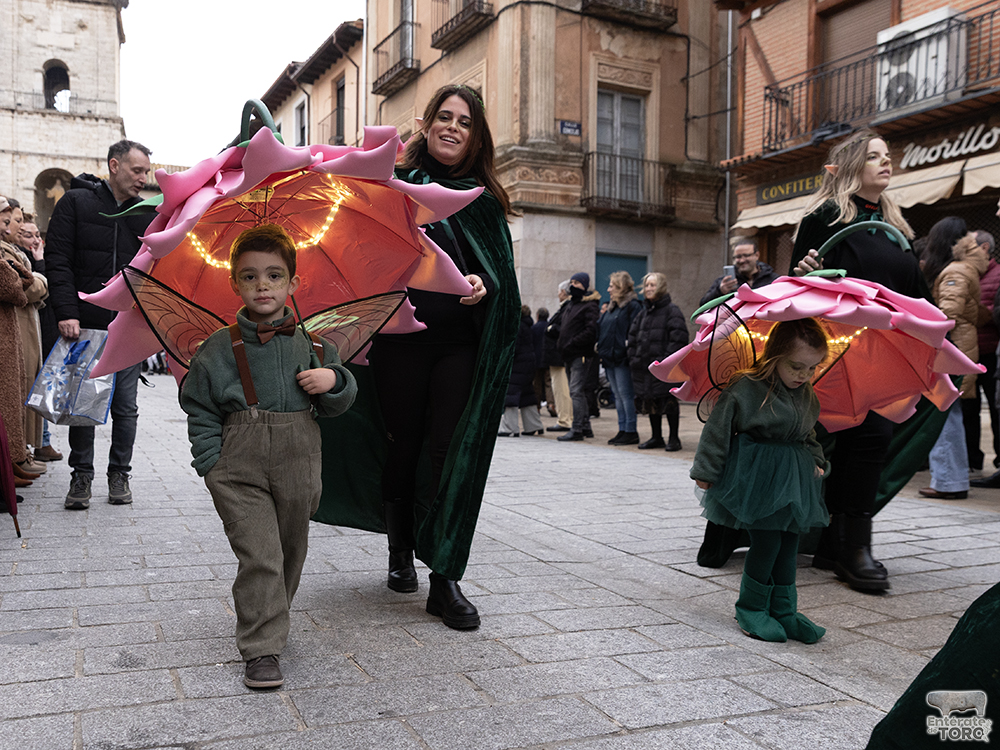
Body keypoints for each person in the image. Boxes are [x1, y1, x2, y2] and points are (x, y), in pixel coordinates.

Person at [321, 84, 519, 630]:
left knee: (446, 453)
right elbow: (359, 255)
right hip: (398, 343)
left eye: (465, 121)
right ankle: (399, 552)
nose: (452, 127)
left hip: (457, 346)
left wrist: (484, 284)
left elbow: (500, 277)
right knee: (401, 448)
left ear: (476, 136)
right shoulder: (395, 185)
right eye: (444, 117)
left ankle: (445, 578)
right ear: (428, 124)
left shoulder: (482, 200)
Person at [179, 224, 358, 690]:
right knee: (259, 553)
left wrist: (334, 381)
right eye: (250, 276)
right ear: (234, 283)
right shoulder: (218, 347)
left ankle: (273, 615)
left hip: (300, 462)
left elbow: (342, 401)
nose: (263, 285)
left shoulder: (316, 346)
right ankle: (261, 648)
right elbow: (198, 404)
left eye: (275, 275)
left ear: (293, 284)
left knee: (290, 548)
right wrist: (210, 461)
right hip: (238, 465)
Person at [791, 128, 923, 593]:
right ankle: (850, 548)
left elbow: (915, 295)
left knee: (867, 442)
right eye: (873, 157)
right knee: (860, 440)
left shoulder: (897, 229)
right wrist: (804, 273)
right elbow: (794, 287)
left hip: (887, 352)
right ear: (850, 168)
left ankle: (839, 544)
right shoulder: (824, 218)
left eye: (888, 155)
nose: (886, 162)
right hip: (837, 350)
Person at [692, 318, 830, 643]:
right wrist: (706, 470)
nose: (804, 375)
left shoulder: (806, 393)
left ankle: (784, 610)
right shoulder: (747, 387)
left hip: (792, 476)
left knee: (789, 542)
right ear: (774, 355)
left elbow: (807, 431)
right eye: (796, 366)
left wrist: (817, 460)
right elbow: (718, 428)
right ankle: (751, 607)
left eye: (812, 369)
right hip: (757, 475)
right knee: (767, 541)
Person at [45, 139, 155, 509]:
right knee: (84, 404)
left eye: (147, 172)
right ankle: (82, 476)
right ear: (114, 165)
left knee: (125, 406)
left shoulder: (146, 214)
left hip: (128, 326)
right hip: (85, 322)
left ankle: (119, 473)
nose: (144, 178)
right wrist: (66, 311)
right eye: (137, 170)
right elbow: (57, 260)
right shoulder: (75, 203)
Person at [919, 231, 989, 500]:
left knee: (945, 411)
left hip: (952, 347)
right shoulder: (970, 270)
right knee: (950, 411)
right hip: (965, 344)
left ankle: (948, 481)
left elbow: (948, 310)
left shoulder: (957, 270)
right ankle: (952, 479)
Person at [2, 200, 48, 473]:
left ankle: (19, 455)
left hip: (23, 326)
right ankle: (13, 459)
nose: (15, 227)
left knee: (24, 386)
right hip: (13, 326)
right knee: (13, 392)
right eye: (10, 221)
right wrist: (38, 277)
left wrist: (36, 278)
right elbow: (22, 286)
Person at [628, 272, 689, 451]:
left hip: (664, 368)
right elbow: (632, 338)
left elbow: (678, 339)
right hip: (645, 367)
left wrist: (665, 363)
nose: (648, 289)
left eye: (652, 285)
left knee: (668, 401)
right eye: (646, 285)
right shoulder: (643, 313)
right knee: (650, 400)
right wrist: (634, 359)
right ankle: (656, 437)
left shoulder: (672, 310)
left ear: (660, 287)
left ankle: (674, 438)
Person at [18, 218, 62, 463]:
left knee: (41, 384)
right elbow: (40, 289)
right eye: (28, 235)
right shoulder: (28, 260)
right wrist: (40, 262)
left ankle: (41, 441)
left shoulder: (32, 257)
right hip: (34, 330)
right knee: (35, 385)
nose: (35, 240)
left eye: (36, 235)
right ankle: (39, 443)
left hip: (43, 329)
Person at [965, 231, 999, 473]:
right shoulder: (968, 272)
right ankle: (972, 459)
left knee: (996, 411)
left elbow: (990, 311)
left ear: (984, 248)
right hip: (969, 352)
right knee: (969, 409)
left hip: (989, 351)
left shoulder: (997, 274)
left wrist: (970, 312)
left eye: (970, 246)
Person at [598, 271, 642, 445]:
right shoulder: (612, 308)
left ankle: (630, 430)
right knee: (617, 395)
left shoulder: (632, 306)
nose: (609, 289)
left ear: (621, 287)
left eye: (612, 286)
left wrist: (626, 348)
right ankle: (622, 428)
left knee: (625, 395)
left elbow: (635, 331)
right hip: (610, 358)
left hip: (622, 358)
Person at [556, 272, 601, 442]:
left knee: (576, 391)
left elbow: (590, 331)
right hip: (569, 354)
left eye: (577, 282)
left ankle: (577, 429)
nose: (572, 285)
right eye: (571, 282)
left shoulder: (589, 306)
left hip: (580, 354)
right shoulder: (571, 305)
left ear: (584, 285)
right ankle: (585, 426)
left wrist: (572, 343)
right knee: (577, 391)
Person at [498, 305, 545, 437]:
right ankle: (534, 425)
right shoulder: (526, 325)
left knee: (510, 394)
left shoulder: (517, 325)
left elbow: (513, 347)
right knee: (527, 395)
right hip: (528, 364)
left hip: (517, 365)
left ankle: (509, 428)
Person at [699, 237, 778, 307]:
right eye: (738, 257)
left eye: (746, 255)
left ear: (757, 255)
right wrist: (720, 291)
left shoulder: (772, 280)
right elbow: (703, 305)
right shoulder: (725, 282)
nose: (742, 260)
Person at [544, 281, 574, 432]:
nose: (558, 294)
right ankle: (565, 418)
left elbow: (561, 328)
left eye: (559, 291)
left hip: (558, 356)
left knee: (562, 390)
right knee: (559, 389)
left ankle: (565, 420)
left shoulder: (567, 307)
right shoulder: (566, 307)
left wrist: (550, 328)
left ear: (563, 292)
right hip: (556, 357)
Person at [531, 307, 556, 416]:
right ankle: (551, 404)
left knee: (536, 384)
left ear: (537, 316)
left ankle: (536, 407)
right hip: (548, 358)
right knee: (548, 383)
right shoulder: (549, 327)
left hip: (536, 359)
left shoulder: (533, 328)